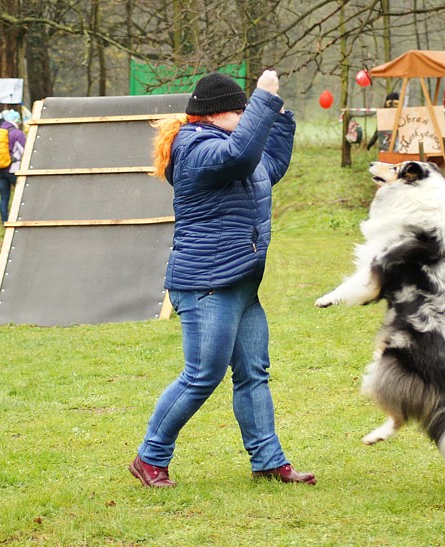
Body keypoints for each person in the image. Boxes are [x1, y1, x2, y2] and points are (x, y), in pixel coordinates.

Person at [129, 70, 315, 487]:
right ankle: (149, 457)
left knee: (253, 373)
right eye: (242, 110)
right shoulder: (196, 148)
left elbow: (267, 165)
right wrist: (264, 99)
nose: (247, 116)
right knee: (201, 375)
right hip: (207, 284)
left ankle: (268, 460)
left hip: (242, 281)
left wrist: (277, 115)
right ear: (215, 113)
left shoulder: (228, 146)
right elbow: (241, 156)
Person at [0, 110, 27, 223]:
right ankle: (19, 219)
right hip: (13, 169)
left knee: (4, 197)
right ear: (17, 121)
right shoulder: (17, 133)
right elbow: (25, 151)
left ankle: (5, 221)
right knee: (21, 196)